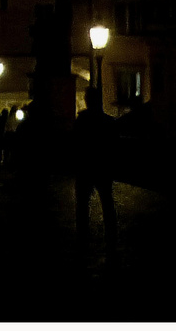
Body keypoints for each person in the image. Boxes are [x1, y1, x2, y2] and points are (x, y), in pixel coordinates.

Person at [73, 87, 117, 246]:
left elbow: (75, 146)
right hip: (103, 167)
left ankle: (82, 235)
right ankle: (111, 234)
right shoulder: (109, 123)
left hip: (85, 168)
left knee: (82, 204)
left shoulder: (81, 121)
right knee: (107, 202)